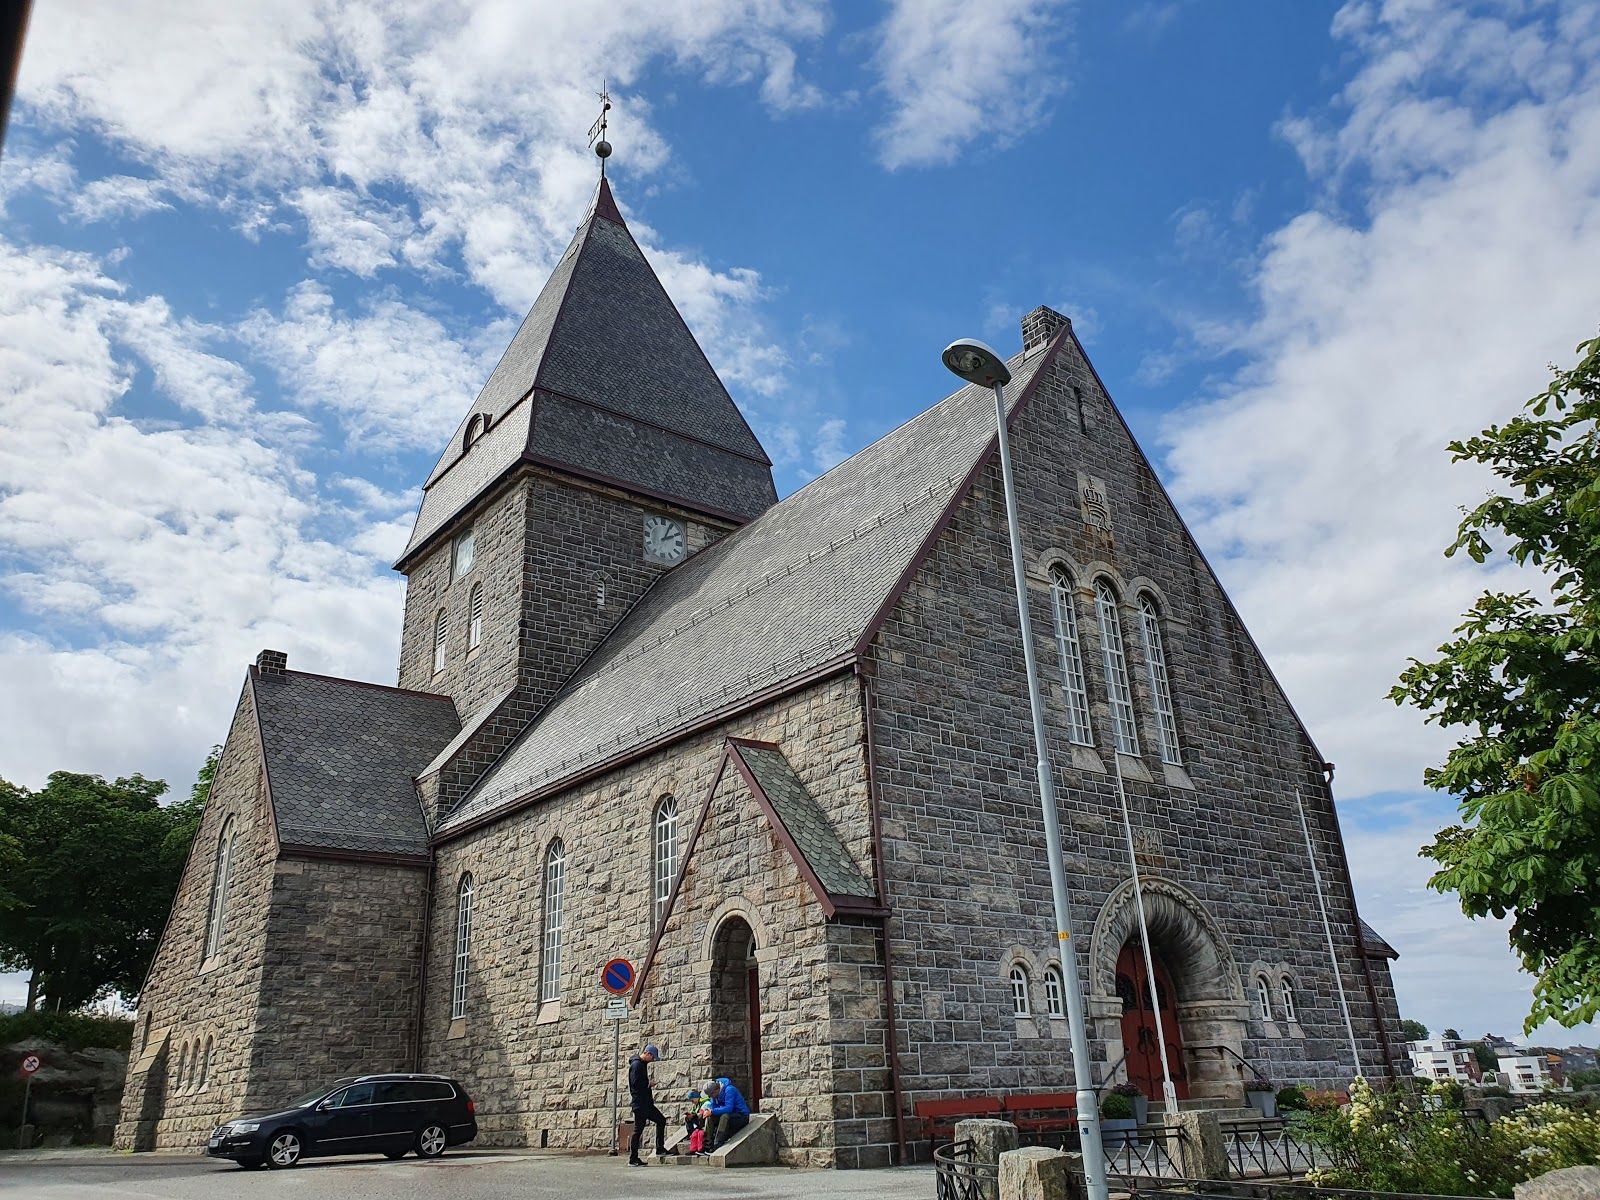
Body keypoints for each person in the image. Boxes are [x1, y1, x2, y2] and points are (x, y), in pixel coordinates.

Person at [626, 1043, 667, 1166]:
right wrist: (648, 1084)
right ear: (647, 1053)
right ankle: (633, 1159)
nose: (653, 1060)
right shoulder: (637, 1065)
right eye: (652, 1057)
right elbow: (635, 1083)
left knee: (661, 1120)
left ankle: (660, 1149)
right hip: (640, 1104)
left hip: (646, 1104)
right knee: (638, 1130)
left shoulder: (641, 1064)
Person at [702, 1076, 750, 1151]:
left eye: (711, 1095)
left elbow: (729, 1108)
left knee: (724, 1116)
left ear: (716, 1090)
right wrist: (708, 1111)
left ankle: (718, 1143)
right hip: (729, 1116)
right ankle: (707, 1144)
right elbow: (713, 1107)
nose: (711, 1097)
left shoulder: (729, 1090)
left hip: (741, 1116)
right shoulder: (714, 1096)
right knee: (710, 1117)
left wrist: (712, 1111)